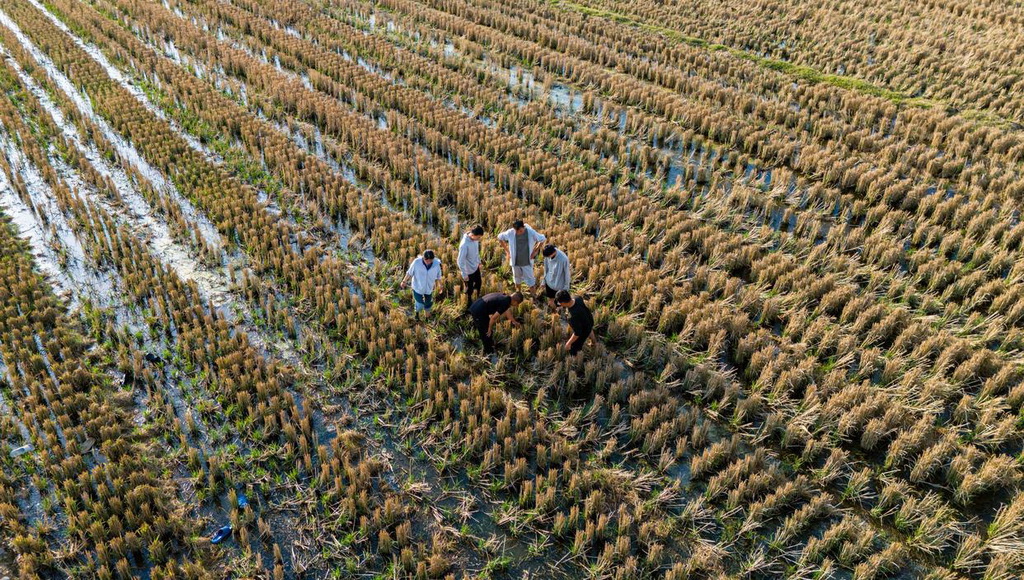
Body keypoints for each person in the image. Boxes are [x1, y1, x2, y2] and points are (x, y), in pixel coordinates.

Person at [497, 220, 546, 292]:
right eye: (516, 231)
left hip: (526, 262)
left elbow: (542, 238)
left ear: (524, 227)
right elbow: (499, 237)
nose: (518, 233)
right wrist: (507, 251)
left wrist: (535, 251)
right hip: (515, 262)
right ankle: (518, 293)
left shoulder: (530, 232)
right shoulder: (511, 232)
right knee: (517, 279)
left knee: (531, 281)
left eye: (520, 231)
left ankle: (533, 296)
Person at [401, 250, 442, 319]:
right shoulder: (416, 262)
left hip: (429, 288)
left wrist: (440, 285)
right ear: (423, 258)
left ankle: (427, 318)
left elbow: (438, 276)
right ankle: (417, 313)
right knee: (420, 305)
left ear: (433, 259)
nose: (428, 262)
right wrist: (404, 281)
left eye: (430, 260)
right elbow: (409, 273)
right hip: (417, 287)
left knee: (428, 304)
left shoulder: (436, 264)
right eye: (426, 260)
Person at [555, 290, 596, 356]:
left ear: (563, 302)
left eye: (559, 303)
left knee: (575, 347)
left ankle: (577, 359)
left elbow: (577, 333)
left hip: (583, 330)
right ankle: (594, 343)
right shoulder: (577, 298)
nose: (559, 304)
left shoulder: (572, 316)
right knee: (590, 329)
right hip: (589, 319)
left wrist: (568, 343)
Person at [457, 225, 485, 311]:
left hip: (475, 267)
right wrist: (464, 274)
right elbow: (460, 261)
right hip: (468, 271)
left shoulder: (475, 240)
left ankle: (477, 300)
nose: (479, 239)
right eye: (478, 237)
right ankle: (468, 305)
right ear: (473, 235)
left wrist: (479, 262)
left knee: (478, 284)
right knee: (469, 290)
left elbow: (476, 252)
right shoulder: (464, 245)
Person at [541, 244, 571, 309]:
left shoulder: (563, 259)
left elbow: (567, 274)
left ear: (553, 252)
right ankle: (554, 313)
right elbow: (546, 269)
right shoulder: (547, 256)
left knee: (560, 304)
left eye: (548, 256)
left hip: (559, 286)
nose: (548, 258)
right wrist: (543, 281)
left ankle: (558, 314)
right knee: (551, 300)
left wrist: (566, 288)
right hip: (549, 283)